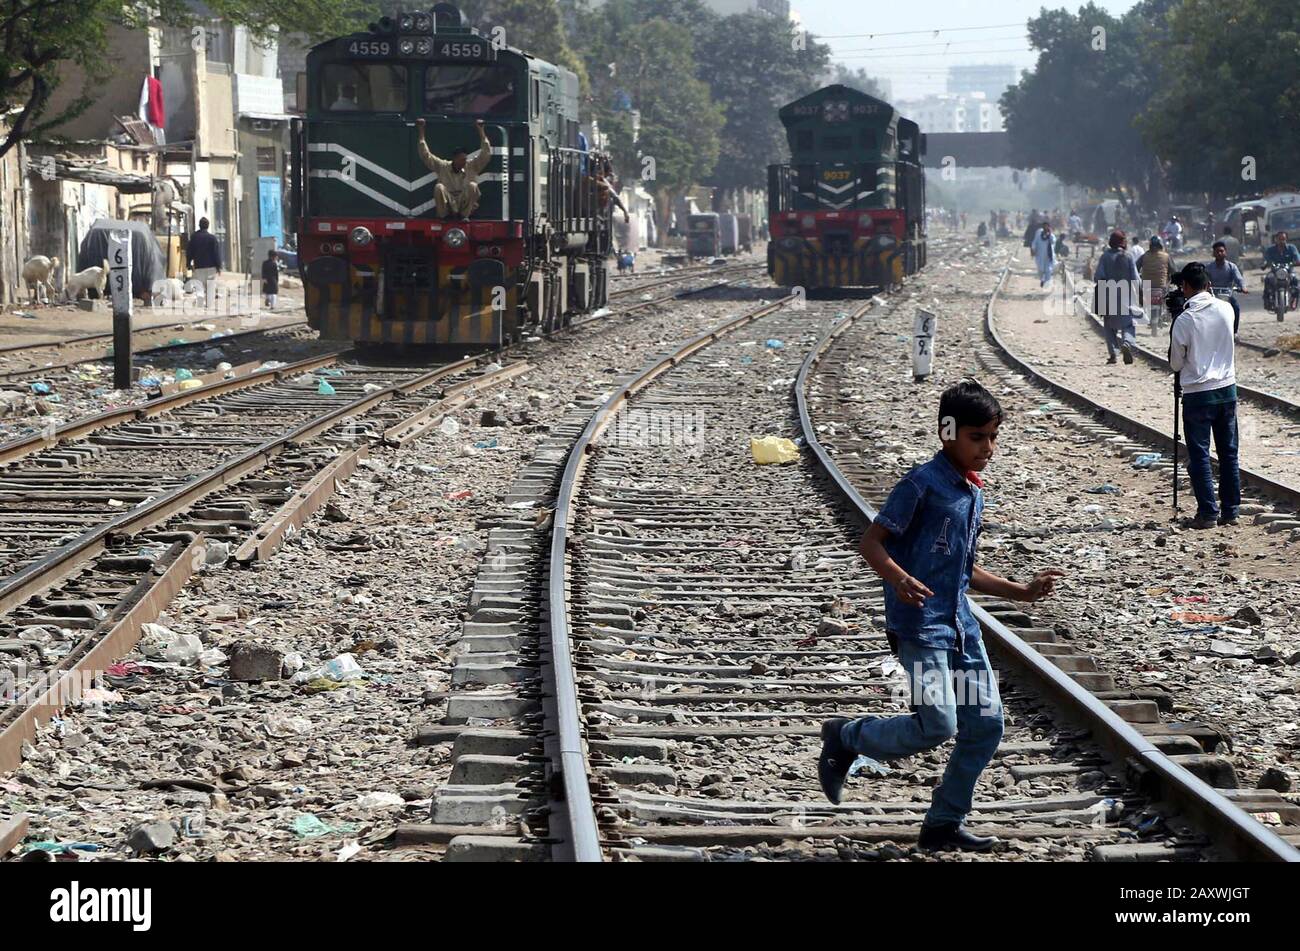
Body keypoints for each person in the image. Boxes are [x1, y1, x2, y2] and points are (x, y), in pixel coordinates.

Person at [816, 381, 1064, 852]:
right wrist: (899, 578)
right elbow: (871, 543)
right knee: (938, 725)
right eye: (977, 437)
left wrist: (1020, 593)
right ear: (947, 431)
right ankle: (847, 737)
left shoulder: (971, 493)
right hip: (920, 630)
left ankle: (943, 824)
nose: (988, 448)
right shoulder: (920, 485)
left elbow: (964, 567)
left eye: (993, 437)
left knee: (987, 725)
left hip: (960, 629)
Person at [1169, 263, 1240, 529]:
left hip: (1198, 395)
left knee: (1200, 455)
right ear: (1208, 285)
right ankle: (1231, 511)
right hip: (1227, 390)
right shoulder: (1227, 308)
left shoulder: (1185, 319)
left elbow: (1176, 364)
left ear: (1186, 287)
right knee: (1229, 453)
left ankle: (1208, 513)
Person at [416, 117, 493, 218]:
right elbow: (426, 155)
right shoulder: (443, 166)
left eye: (465, 159)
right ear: (455, 159)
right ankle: (444, 216)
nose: (464, 162)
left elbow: (486, 154)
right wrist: (421, 131)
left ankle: (465, 216)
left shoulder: (471, 166)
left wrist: (481, 130)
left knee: (473, 186)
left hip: (464, 203)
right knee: (439, 187)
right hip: (448, 203)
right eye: (461, 160)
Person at [1093, 230, 1139, 365]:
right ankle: (1127, 343)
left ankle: (1113, 354)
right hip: (1126, 297)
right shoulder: (1129, 256)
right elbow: (1136, 279)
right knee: (1128, 325)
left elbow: (1098, 277)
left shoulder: (1105, 257)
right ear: (1123, 242)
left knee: (1108, 326)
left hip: (1108, 296)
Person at [1206, 240, 1247, 334]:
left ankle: (1235, 332)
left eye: (1222, 251)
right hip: (1213, 296)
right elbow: (1205, 280)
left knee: (1236, 308)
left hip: (1227, 295)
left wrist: (1243, 287)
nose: (1219, 253)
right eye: (1217, 251)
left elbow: (1239, 279)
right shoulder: (1209, 267)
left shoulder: (1231, 267)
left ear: (1225, 252)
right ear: (1213, 253)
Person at [1137, 236, 1175, 332]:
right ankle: (1157, 320)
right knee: (1164, 301)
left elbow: (1135, 267)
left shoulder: (1144, 256)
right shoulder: (1166, 256)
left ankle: (1155, 321)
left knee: (1151, 304)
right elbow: (1174, 270)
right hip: (1161, 286)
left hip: (1146, 286)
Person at [1262, 230, 1300, 311]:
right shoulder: (1270, 249)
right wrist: (1265, 264)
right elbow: (1266, 259)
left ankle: (1294, 300)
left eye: (1283, 239)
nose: (1281, 241)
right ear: (1276, 239)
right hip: (1274, 272)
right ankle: (1266, 300)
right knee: (1267, 279)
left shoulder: (1291, 248)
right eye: (1280, 239)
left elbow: (1297, 258)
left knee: (1296, 280)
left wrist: (1296, 262)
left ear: (1286, 239)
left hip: (1288, 272)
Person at [186, 217, 222, 293]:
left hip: (199, 267)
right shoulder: (212, 238)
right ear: (208, 226)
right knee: (210, 290)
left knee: (199, 290)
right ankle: (209, 304)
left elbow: (189, 252)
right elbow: (216, 254)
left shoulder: (194, 237)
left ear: (199, 225)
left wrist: (188, 264)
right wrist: (218, 266)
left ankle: (201, 303)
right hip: (211, 268)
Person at [1031, 221, 1056, 286]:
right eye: (1044, 226)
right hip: (1040, 254)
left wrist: (1050, 234)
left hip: (1049, 255)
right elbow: (1034, 243)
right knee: (1040, 269)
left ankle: (1047, 282)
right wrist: (1033, 250)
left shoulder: (1051, 235)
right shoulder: (1039, 235)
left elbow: (1053, 242)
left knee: (1048, 269)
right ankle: (1042, 279)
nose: (1046, 227)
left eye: (1047, 226)